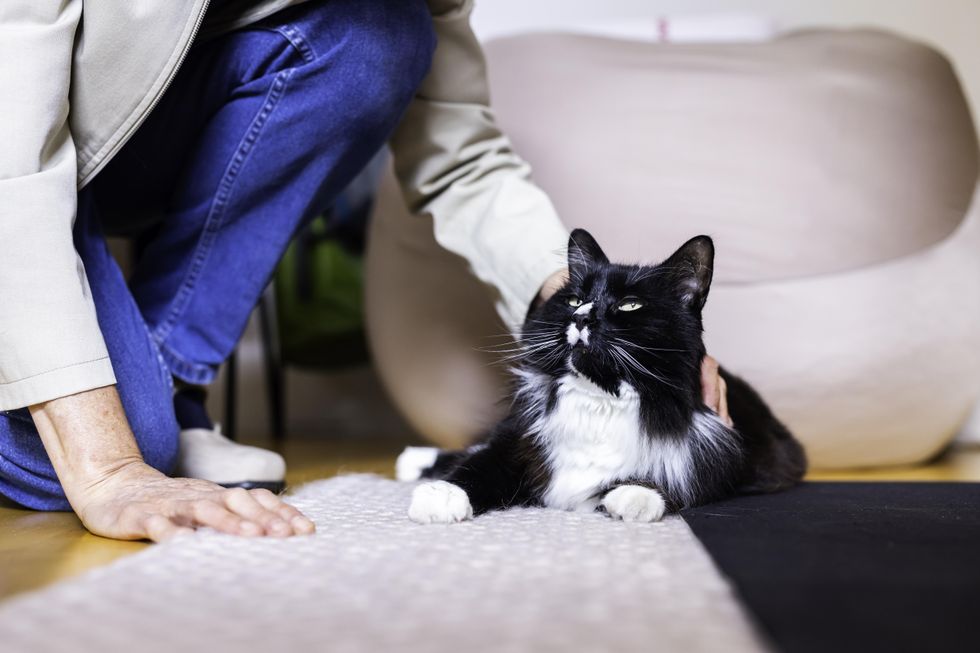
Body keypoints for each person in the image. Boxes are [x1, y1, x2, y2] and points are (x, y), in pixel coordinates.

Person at [0, 0, 729, 542]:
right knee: (108, 455)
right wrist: (109, 467)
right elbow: (14, 164)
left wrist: (618, 320)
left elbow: (462, 156)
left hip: (121, 147)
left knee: (379, 37)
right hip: (21, 150)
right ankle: (141, 417)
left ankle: (164, 384)